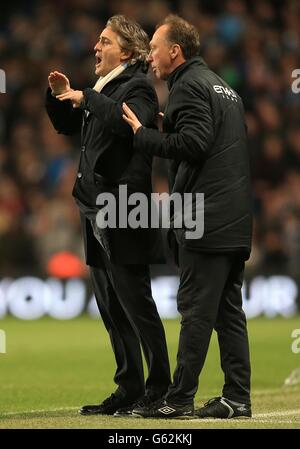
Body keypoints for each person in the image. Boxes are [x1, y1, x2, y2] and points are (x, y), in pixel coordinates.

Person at [122, 15, 253, 419]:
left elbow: (193, 145)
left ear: (175, 51)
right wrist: (170, 126)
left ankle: (178, 400)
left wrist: (144, 135)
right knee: (228, 311)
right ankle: (237, 397)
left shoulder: (187, 86)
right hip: (233, 217)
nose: (151, 56)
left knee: (196, 310)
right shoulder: (223, 87)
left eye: (156, 48)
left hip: (207, 218)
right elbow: (210, 142)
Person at [45, 15, 171, 416]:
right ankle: (129, 386)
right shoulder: (102, 88)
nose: (95, 48)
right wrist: (59, 97)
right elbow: (69, 127)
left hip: (125, 207)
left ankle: (160, 387)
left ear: (128, 52)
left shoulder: (139, 88)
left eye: (105, 41)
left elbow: (125, 124)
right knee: (111, 307)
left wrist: (87, 98)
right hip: (95, 207)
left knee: (135, 302)